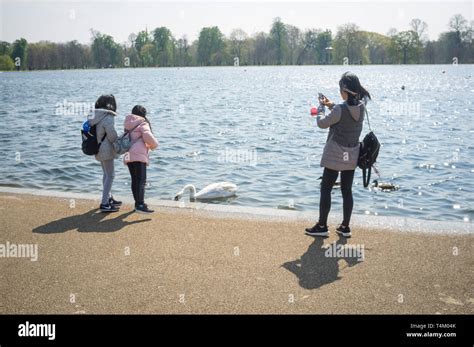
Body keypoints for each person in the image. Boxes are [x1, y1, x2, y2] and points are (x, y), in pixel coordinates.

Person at [305, 72, 371, 238]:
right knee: (346, 190)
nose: (339, 91)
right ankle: (345, 227)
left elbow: (322, 123)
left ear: (345, 90)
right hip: (352, 156)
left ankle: (322, 226)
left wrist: (320, 108)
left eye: (340, 88)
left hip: (335, 156)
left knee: (326, 188)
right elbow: (345, 111)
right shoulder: (362, 107)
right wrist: (331, 105)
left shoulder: (340, 110)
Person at [89, 94, 121, 212]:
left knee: (106, 174)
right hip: (106, 150)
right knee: (110, 175)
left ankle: (109, 198)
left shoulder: (94, 115)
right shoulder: (107, 116)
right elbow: (112, 135)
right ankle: (104, 203)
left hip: (97, 148)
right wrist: (120, 140)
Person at [123, 105, 159, 214]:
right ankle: (140, 204)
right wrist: (154, 145)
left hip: (129, 154)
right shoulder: (143, 123)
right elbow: (148, 136)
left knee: (134, 180)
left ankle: (137, 203)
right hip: (138, 155)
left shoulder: (128, 123)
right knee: (141, 181)